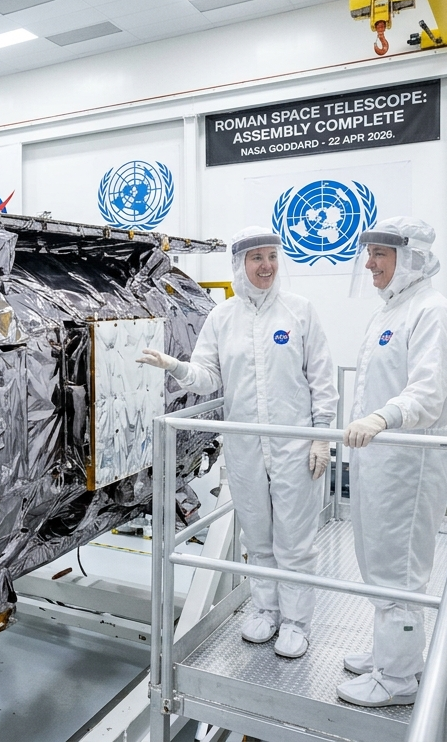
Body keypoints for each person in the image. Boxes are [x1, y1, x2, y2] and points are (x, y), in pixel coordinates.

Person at [139, 226, 336, 659]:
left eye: (272, 257)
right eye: (256, 258)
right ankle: (265, 611)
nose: (266, 266)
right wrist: (175, 366)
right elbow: (208, 377)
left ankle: (297, 623)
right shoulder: (222, 317)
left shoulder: (300, 311)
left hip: (295, 445)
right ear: (239, 265)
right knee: (258, 536)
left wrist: (322, 436)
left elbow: (322, 377)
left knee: (295, 540)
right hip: (245, 445)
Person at [337, 217, 447, 708]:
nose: (369, 263)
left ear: (409, 257)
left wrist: (381, 418)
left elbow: (428, 394)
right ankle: (388, 652)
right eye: (368, 254)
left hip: (410, 462)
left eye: (380, 254)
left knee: (400, 567)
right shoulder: (392, 310)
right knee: (377, 559)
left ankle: (398, 678)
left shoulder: (432, 312)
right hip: (380, 459)